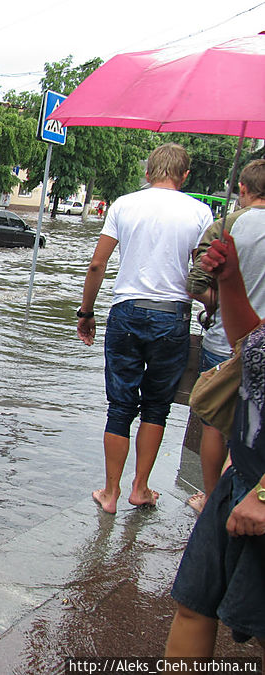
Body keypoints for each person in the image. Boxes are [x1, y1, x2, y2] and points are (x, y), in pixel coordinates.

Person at [77, 143, 213, 514]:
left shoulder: (123, 205)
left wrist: (86, 312)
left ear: (149, 172)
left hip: (126, 312)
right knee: (157, 407)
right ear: (185, 176)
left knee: (120, 407)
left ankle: (110, 493)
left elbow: (97, 265)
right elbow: (203, 275)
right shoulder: (201, 213)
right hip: (173, 316)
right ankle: (140, 488)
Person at [165, 229, 265, 657]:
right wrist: (231, 281)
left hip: (258, 494)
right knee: (193, 606)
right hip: (241, 478)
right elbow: (255, 347)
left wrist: (263, 495)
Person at [185, 159, 265, 514]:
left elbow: (196, 284)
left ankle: (212, 499)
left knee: (215, 421)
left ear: (243, 189)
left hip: (228, 341)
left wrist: (219, 301)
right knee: (250, 436)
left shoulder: (227, 228)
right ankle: (247, 496)